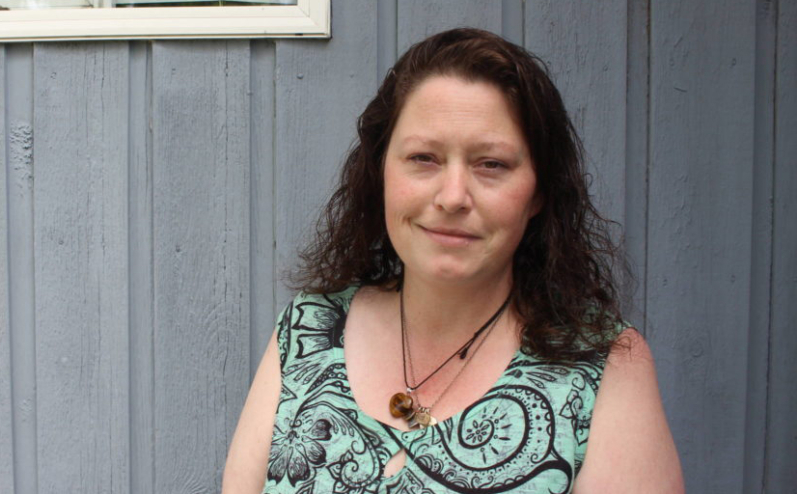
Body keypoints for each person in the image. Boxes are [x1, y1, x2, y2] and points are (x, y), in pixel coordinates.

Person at [222, 27, 683, 493]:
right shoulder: (308, 329)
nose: (453, 196)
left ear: (540, 191)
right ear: (381, 170)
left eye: (492, 164)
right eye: (424, 158)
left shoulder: (603, 367)